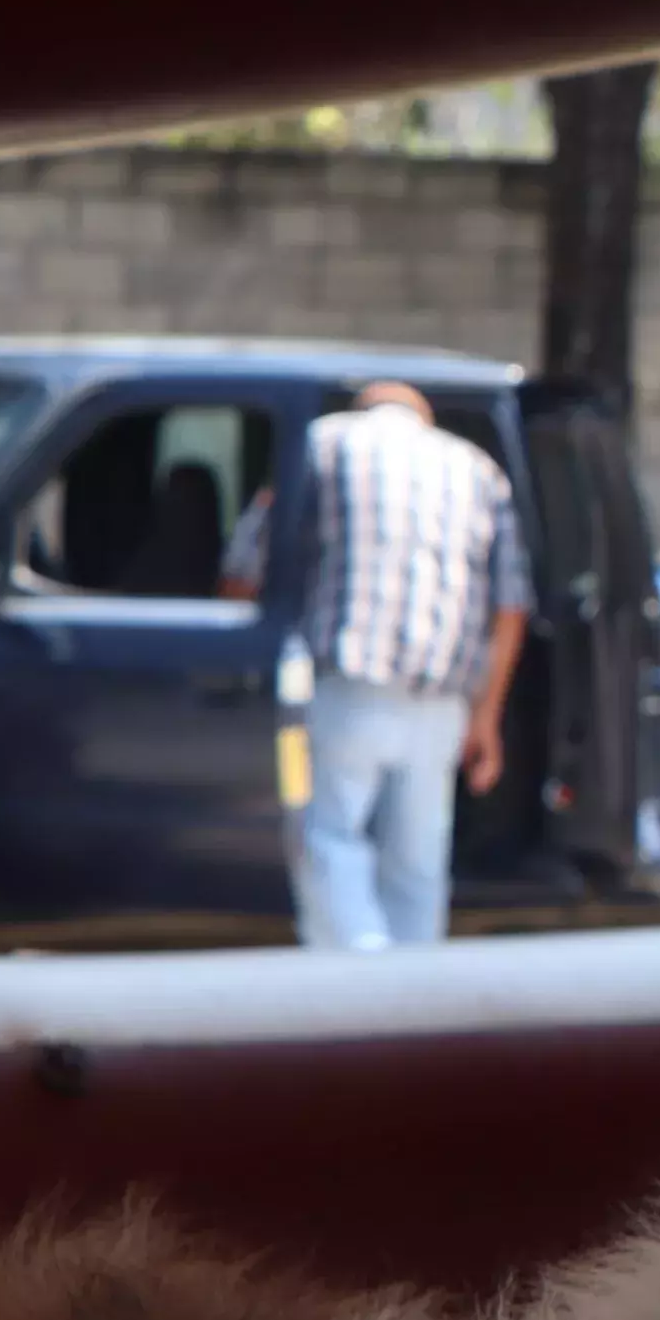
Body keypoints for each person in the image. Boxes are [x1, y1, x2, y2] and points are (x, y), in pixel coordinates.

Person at [221, 381, 530, 951]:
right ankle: (411, 998)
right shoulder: (477, 469)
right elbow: (510, 606)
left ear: (361, 409)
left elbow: (247, 560)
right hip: (443, 699)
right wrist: (486, 718)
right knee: (416, 859)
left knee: (330, 835)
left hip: (346, 685)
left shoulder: (321, 444)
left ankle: (359, 973)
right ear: (424, 417)